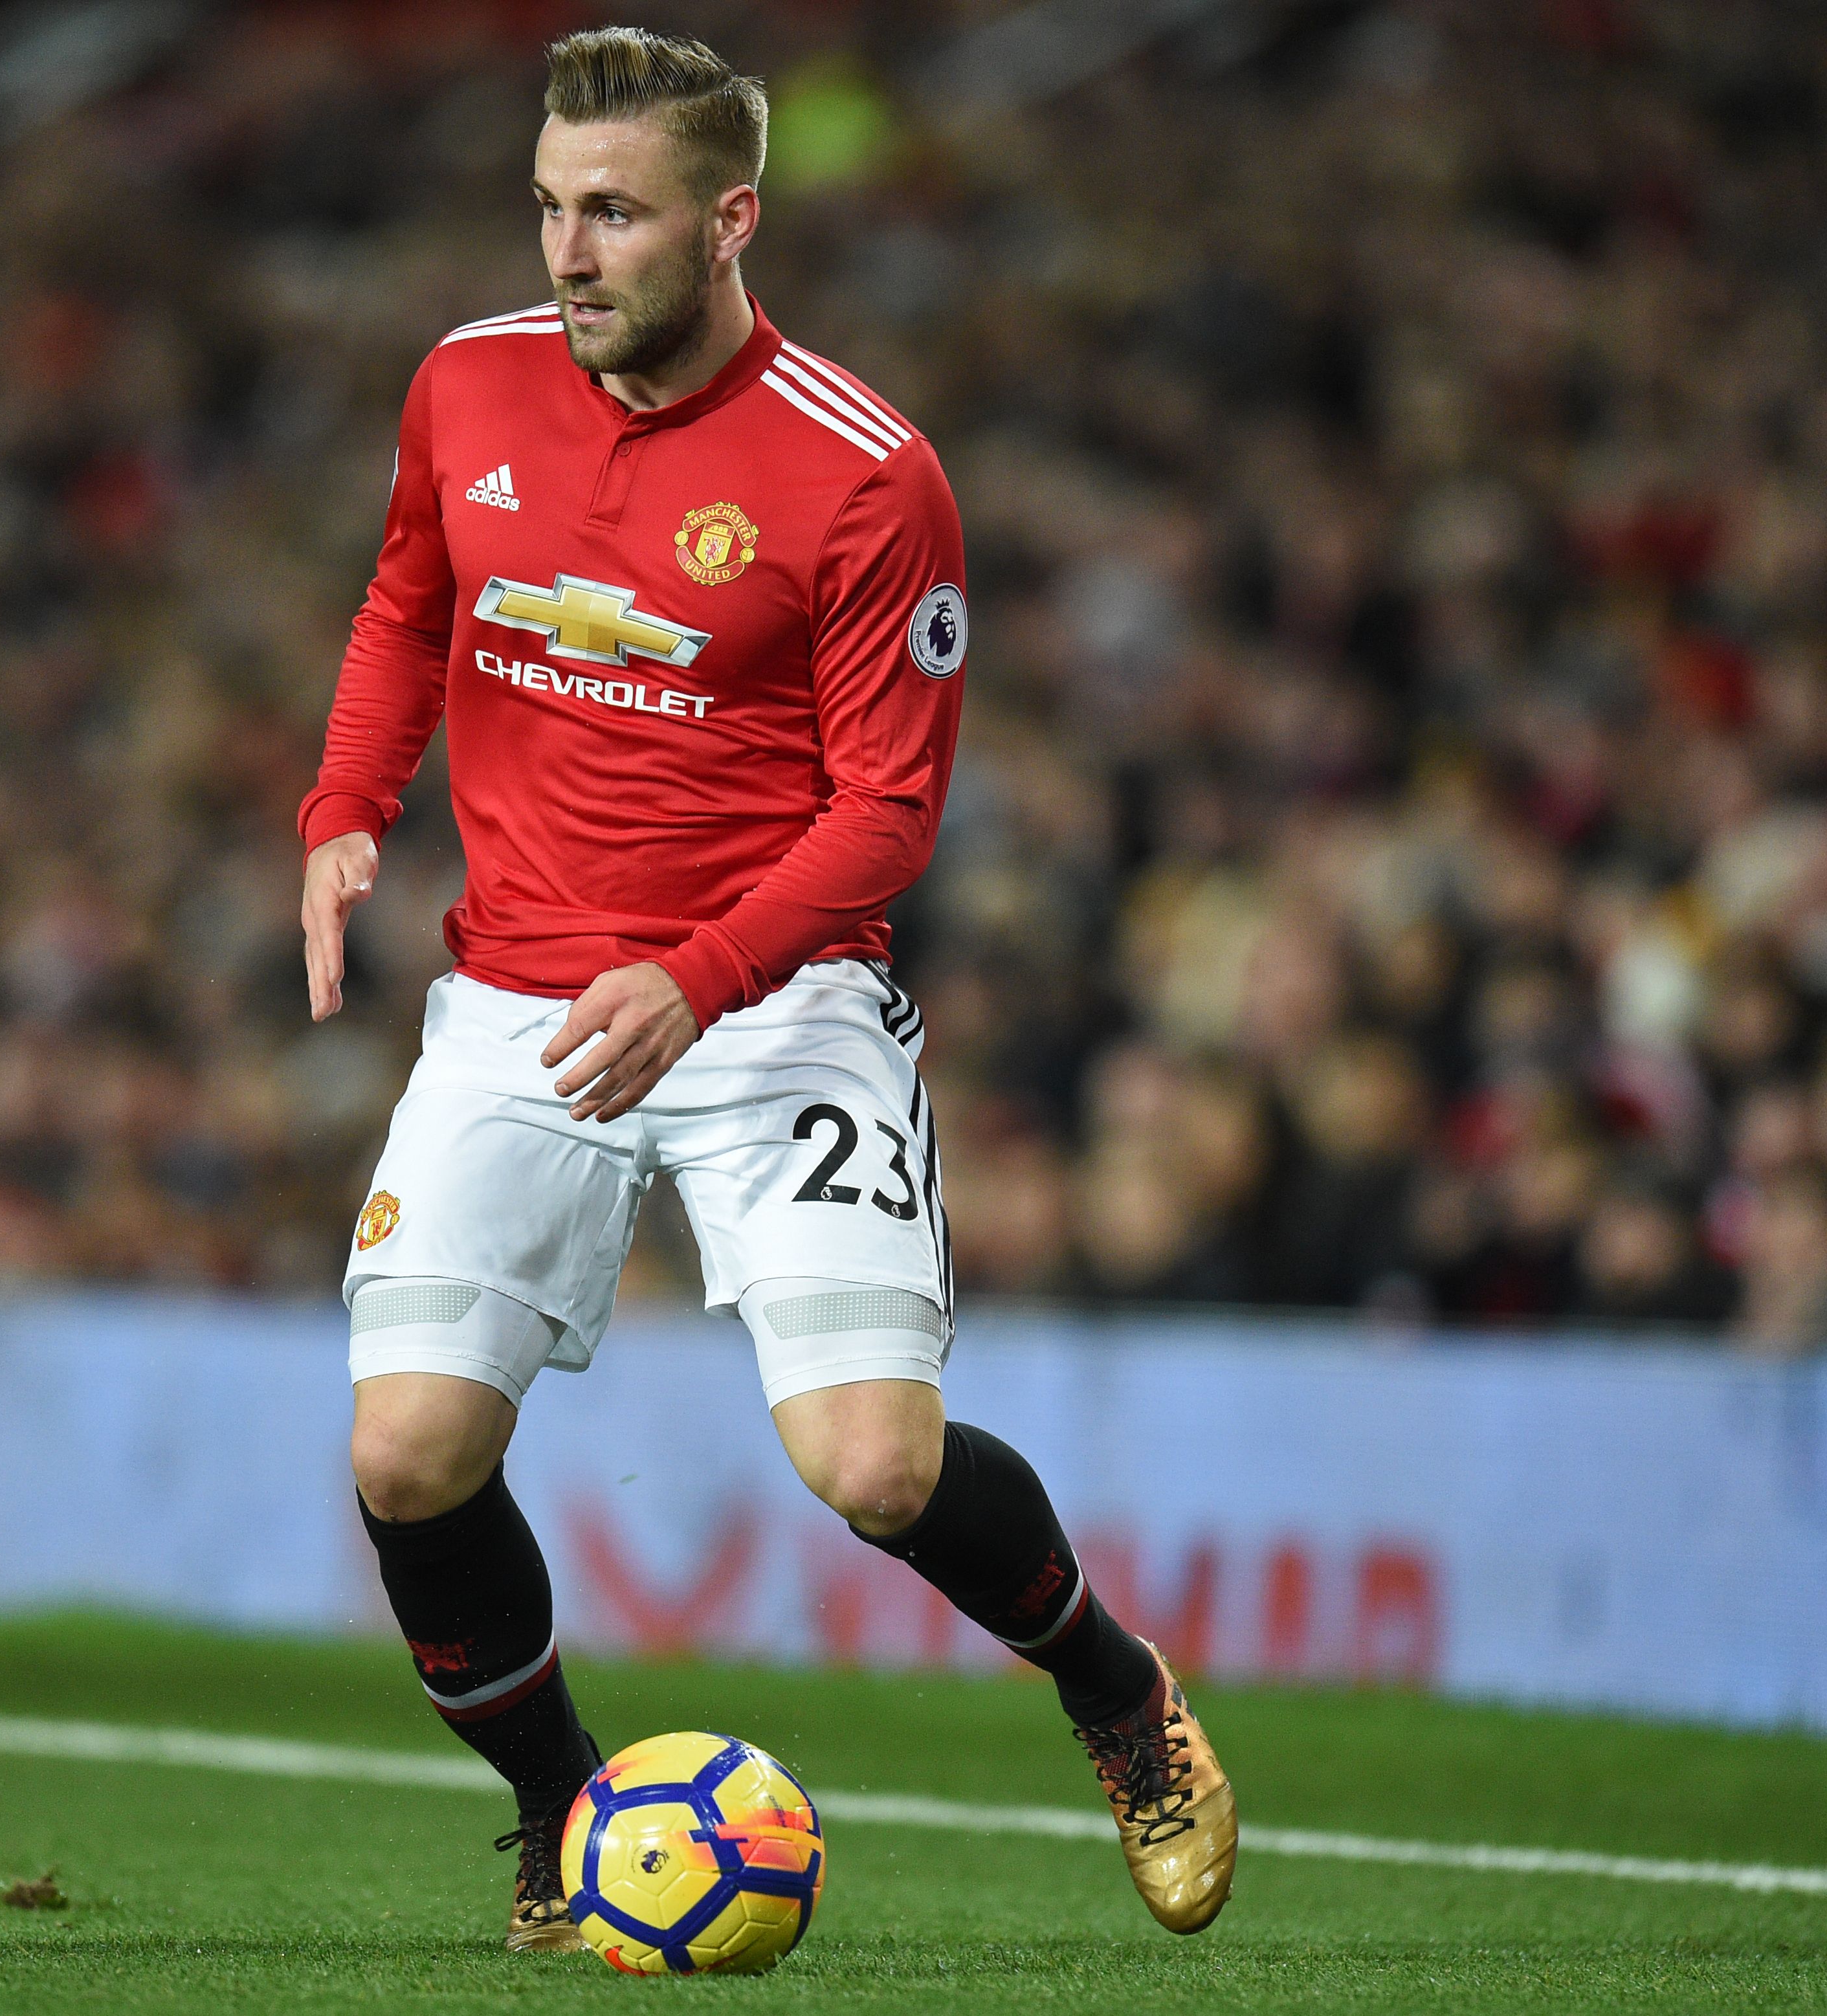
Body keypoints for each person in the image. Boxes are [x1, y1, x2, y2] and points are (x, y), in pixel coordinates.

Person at [296, 26, 1234, 1952]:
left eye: (613, 213)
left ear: (731, 221)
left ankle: (1117, 1692)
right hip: (522, 1007)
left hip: (776, 997)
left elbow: (892, 813)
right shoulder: (465, 383)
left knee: (874, 1467)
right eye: (550, 206)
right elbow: (410, 597)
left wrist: (700, 970)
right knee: (406, 1453)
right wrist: (342, 804)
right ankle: (569, 1821)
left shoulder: (867, 474)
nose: (568, 250)